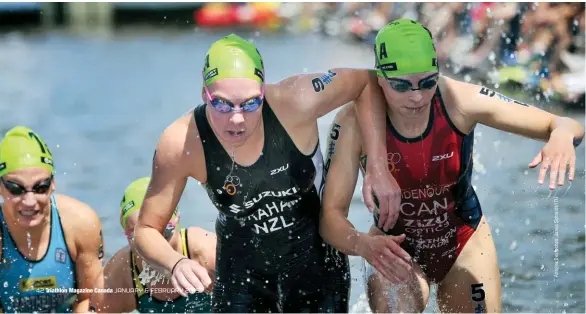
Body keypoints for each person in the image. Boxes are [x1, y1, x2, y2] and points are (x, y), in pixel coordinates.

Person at [319, 18, 584, 313]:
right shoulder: (352, 123)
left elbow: (562, 123)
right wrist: (364, 246)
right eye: (401, 86)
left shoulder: (459, 100)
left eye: (427, 82)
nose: (417, 96)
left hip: (464, 244)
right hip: (393, 248)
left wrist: (561, 134)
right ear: (379, 78)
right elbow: (330, 217)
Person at [132, 33, 394, 313]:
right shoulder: (181, 143)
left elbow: (367, 82)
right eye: (221, 104)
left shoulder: (297, 99)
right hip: (241, 275)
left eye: (250, 103)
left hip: (316, 264)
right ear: (203, 94)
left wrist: (377, 167)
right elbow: (146, 231)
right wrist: (175, 262)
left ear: (263, 91)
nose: (236, 118)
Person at [0, 126, 104, 313]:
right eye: (16, 188)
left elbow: (91, 300)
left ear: (53, 183)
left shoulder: (80, 223)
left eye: (40, 187)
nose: (30, 201)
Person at [91, 177, 216, 313]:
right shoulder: (120, 275)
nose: (155, 246)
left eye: (165, 231)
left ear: (177, 219)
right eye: (139, 238)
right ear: (125, 233)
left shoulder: (207, 253)